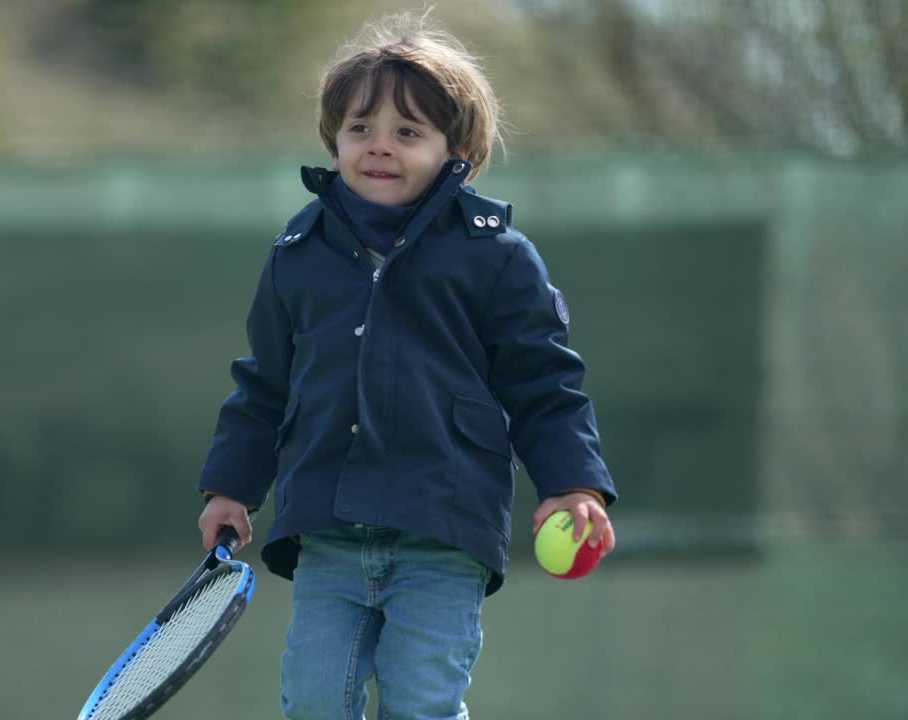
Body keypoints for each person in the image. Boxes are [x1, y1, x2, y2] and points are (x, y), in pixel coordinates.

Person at [196, 10, 617, 719]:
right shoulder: (297, 255)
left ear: (460, 153)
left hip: (443, 531)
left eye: (408, 132)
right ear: (335, 144)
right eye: (360, 129)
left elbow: (545, 383)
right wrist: (229, 487)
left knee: (421, 703)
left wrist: (574, 483)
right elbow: (263, 386)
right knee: (315, 703)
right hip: (326, 530)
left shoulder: (498, 256)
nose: (379, 147)